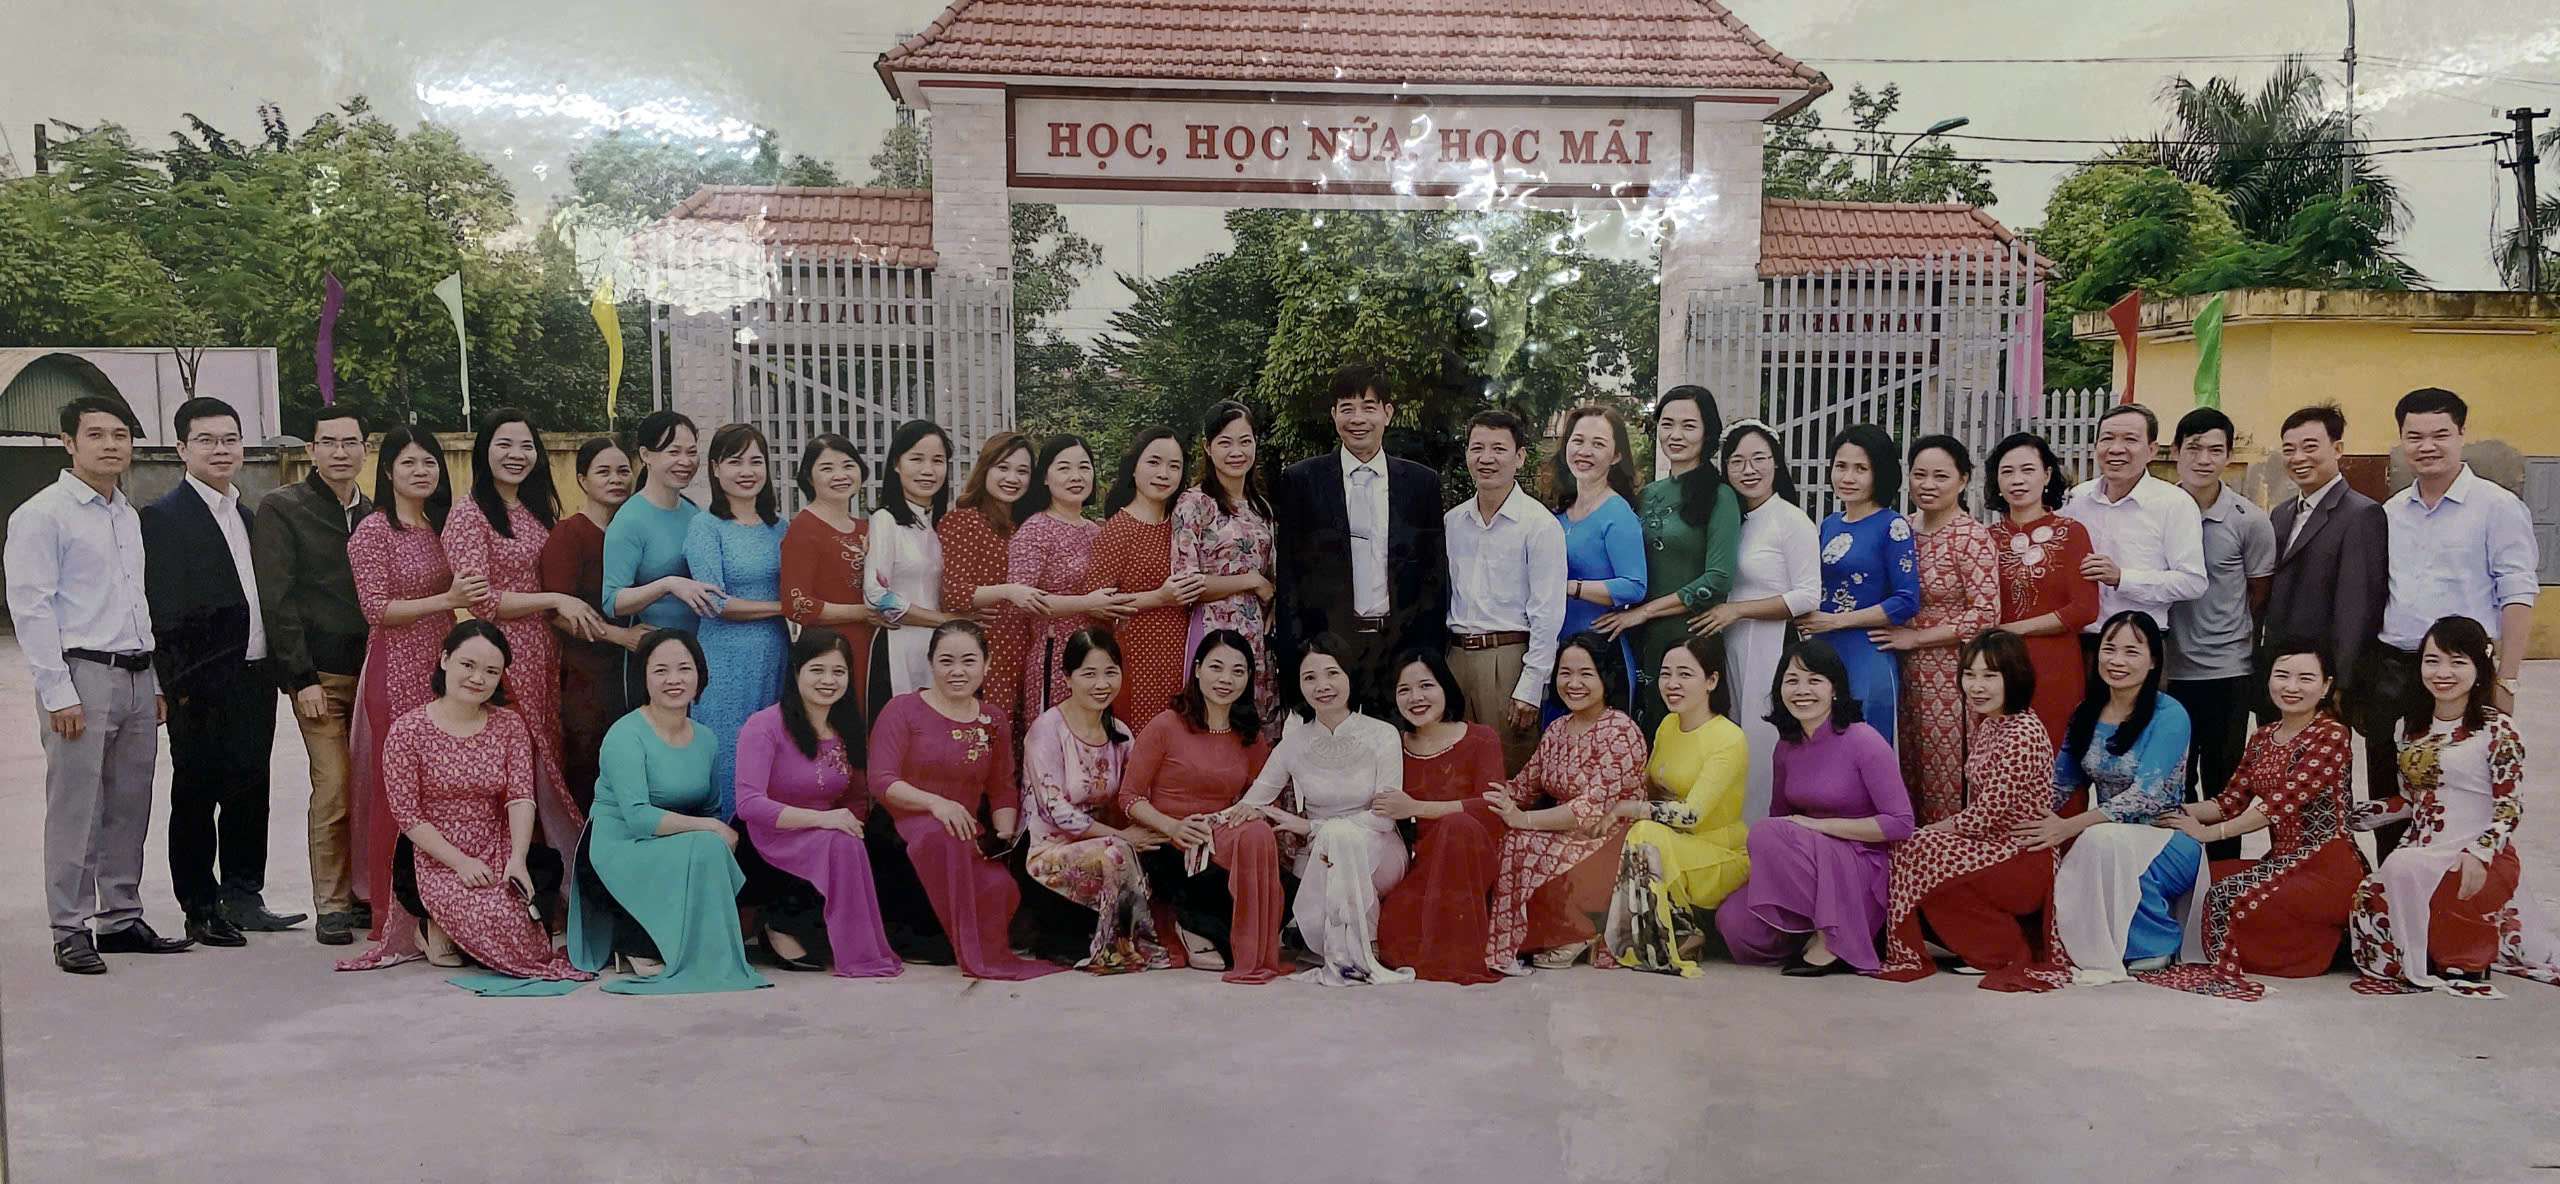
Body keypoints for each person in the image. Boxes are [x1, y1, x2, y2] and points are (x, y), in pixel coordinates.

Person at [10, 395, 193, 974]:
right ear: (69, 443)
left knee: (129, 804)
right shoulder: (43, 515)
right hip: (81, 676)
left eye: (120, 434)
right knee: (77, 807)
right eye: (96, 435)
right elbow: (32, 608)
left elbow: (136, 602)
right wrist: (57, 691)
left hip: (137, 673)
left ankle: (119, 917)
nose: (111, 445)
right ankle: (69, 927)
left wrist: (154, 678)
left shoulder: (125, 514)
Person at [352, 620, 592, 993]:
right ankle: (431, 925)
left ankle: (453, 931)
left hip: (496, 845)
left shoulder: (509, 726)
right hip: (433, 854)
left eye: (491, 671)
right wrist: (461, 863)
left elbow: (520, 796)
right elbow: (408, 815)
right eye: (468, 665)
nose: (478, 678)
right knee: (488, 918)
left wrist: (517, 858)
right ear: (445, 660)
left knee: (524, 939)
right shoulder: (407, 731)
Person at [141, 395, 301, 943]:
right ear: (181, 449)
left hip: (255, 675)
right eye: (206, 440)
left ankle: (244, 895)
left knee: (250, 790)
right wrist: (176, 686)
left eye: (230, 439)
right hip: (199, 685)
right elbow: (162, 610)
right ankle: (200, 906)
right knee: (196, 794)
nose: (220, 450)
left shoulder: (248, 516)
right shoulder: (163, 519)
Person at [2348, 616, 2560, 997]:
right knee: (2372, 893)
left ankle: (2462, 954)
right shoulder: (2409, 728)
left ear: (2479, 669)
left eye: (2457, 662)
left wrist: (2479, 854)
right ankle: (2430, 952)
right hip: (2422, 852)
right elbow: (2413, 800)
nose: (2443, 672)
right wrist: (2358, 816)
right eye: (2432, 661)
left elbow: (2509, 808)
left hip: (2480, 857)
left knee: (2415, 873)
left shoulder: (2498, 730)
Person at [2142, 639, 2366, 1000]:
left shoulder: (2332, 735)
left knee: (2222, 896)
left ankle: (2322, 948)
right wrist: (2166, 810)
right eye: (2282, 675)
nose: (2292, 687)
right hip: (2281, 863)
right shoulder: (2262, 737)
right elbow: (2228, 802)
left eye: (2306, 678)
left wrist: (2209, 834)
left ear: (2326, 686)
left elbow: (2278, 805)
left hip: (2327, 867)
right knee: (2195, 884)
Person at [2369, 388, 2539, 861]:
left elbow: (2517, 593)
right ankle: (2393, 884)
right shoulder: (2390, 512)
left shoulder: (2497, 506)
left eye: (2440, 434)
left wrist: (2507, 678)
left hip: (2463, 672)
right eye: (2415, 436)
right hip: (2395, 669)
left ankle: (2461, 887)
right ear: (2402, 440)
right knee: (2390, 790)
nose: (2427, 446)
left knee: (2465, 790)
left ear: (2462, 435)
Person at [567, 629, 770, 994]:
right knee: (709, 841)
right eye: (660, 670)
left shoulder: (706, 738)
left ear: (699, 675)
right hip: (618, 847)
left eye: (684, 669)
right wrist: (709, 829)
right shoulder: (625, 735)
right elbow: (639, 818)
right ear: (643, 677)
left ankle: (698, 946)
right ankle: (639, 942)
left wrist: (710, 829)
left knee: (725, 842)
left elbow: (710, 807)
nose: (674, 679)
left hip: (674, 843)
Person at [342, 427, 478, 964]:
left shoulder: (440, 525)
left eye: (430, 463)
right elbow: (376, 609)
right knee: (398, 792)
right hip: (395, 667)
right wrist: (446, 598)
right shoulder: (374, 531)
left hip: (442, 665)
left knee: (441, 787)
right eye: (409, 463)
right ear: (388, 472)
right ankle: (392, 912)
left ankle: (440, 908)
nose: (421, 472)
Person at [443, 408, 599, 863]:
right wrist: (554, 599)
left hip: (546, 656)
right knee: (515, 763)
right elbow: (481, 601)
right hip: (502, 660)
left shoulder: (535, 509)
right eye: (504, 444)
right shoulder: (469, 514)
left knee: (548, 759)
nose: (516, 454)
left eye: (526, 445)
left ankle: (552, 870)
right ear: (484, 451)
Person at [869, 620, 1064, 980]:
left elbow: (1002, 787)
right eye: (946, 661)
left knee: (1001, 886)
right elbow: (881, 781)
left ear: (986, 665)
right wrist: (935, 804)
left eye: (968, 661)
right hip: (903, 825)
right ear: (931, 663)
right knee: (942, 841)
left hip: (964, 831)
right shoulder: (902, 710)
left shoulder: (992, 719)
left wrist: (1002, 839)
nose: (957, 671)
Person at [1874, 630, 2067, 989]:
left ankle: (2001, 950)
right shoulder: (1993, 723)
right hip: (1993, 849)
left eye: (1990, 675)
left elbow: (1983, 817)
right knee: (1914, 850)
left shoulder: (2022, 733)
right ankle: (1983, 944)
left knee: (1916, 848)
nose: (1976, 686)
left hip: (2022, 856)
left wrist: (1929, 832)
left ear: (2015, 676)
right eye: (1969, 674)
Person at [2022, 611, 2206, 983]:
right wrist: (2023, 818)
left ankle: (2156, 943)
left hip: (2167, 839)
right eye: (2109, 649)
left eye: (2131, 651)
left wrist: (2070, 826)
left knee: (2096, 838)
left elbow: (2144, 797)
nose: (2117, 660)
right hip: (2108, 839)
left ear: (2153, 660)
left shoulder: (2170, 715)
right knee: (2086, 840)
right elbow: (2058, 784)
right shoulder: (2085, 712)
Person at [1716, 639, 1915, 975]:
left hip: (1860, 863)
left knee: (1764, 833)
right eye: (1792, 680)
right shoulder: (1786, 747)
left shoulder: (1863, 740)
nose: (1802, 690)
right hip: (1810, 865)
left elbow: (1901, 823)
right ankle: (1810, 930)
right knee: (1734, 924)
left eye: (1814, 680)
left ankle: (1837, 940)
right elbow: (1780, 818)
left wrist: (1821, 827)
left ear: (1834, 688)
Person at [250, 407, 373, 944]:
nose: (340, 452)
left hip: (374, 674)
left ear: (365, 448)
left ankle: (367, 894)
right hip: (320, 677)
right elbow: (277, 599)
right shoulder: (284, 508)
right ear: (312, 450)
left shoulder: (375, 513)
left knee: (373, 789)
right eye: (329, 442)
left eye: (350, 442)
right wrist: (301, 678)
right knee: (335, 787)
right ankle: (332, 904)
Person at [1226, 634, 1412, 985]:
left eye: (1332, 673)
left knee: (1340, 836)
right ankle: (1349, 947)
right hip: (1318, 861)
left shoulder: (1382, 734)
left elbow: (1384, 819)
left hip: (1380, 854)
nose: (1322, 685)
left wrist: (1312, 828)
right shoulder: (1293, 744)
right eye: (1309, 677)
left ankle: (1362, 943)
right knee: (1334, 841)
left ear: (1349, 676)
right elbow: (1254, 800)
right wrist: (1206, 821)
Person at [1272, 362, 1449, 702]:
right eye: (1347, 408)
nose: (1358, 419)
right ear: (1333, 414)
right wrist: (1298, 655)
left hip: (1401, 648)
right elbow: (1290, 577)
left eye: (1369, 407)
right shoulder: (1302, 481)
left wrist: (1428, 654)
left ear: (1387, 413)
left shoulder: (1421, 484)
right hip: (1328, 651)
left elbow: (1434, 577)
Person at [1119, 631, 1288, 983]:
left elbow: (1265, 797)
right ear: (1197, 670)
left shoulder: (1249, 735)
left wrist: (1251, 813)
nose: (1226, 679)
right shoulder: (1166, 725)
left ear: (1249, 678)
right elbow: (1130, 797)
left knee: (1261, 841)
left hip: (1221, 841)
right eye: (1216, 667)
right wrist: (1172, 827)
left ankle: (1243, 943)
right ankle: (1189, 926)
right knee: (1216, 889)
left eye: (1238, 671)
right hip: (1172, 844)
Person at [732, 628, 902, 978]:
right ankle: (781, 922)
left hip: (827, 834)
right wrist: (823, 820)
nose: (828, 680)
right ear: (796, 672)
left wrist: (849, 826)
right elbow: (749, 804)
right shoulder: (764, 726)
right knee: (841, 841)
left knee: (861, 841)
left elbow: (856, 799)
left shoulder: (846, 727)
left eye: (838, 671)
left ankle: (855, 945)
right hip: (769, 836)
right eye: (817, 670)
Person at [1483, 633, 1649, 974]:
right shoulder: (1558, 729)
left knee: (1518, 841)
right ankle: (1530, 937)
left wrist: (1524, 821)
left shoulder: (1621, 731)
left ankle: (1570, 932)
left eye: (1585, 674)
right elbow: (1522, 787)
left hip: (1609, 844)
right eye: (1565, 673)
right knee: (1493, 832)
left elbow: (1589, 810)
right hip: (1563, 838)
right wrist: (1480, 802)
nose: (1573, 683)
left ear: (1605, 676)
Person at [2162, 408, 2277, 861]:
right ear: (2175, 451)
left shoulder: (2250, 520)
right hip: (2168, 671)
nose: (2203, 459)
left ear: (2230, 456)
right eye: (2193, 448)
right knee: (2172, 781)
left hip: (2226, 671)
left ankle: (2224, 876)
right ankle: (2178, 871)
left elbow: (2258, 593)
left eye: (2215, 450)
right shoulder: (2159, 511)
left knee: (2225, 782)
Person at [1022, 630, 1169, 973]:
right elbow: (1055, 810)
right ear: (1067, 678)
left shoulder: (1121, 733)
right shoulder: (1047, 730)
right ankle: (1122, 947)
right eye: (1089, 674)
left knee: (1154, 846)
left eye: (1110, 672)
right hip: (1048, 848)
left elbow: (1137, 793)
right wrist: (1121, 836)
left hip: (1106, 842)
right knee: (1116, 852)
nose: (1101, 684)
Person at [1696, 421, 1820, 823]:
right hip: (1730, 642)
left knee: (1762, 739)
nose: (1749, 470)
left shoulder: (1791, 520)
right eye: (1737, 461)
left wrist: (1738, 610)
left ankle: (1762, 833)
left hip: (1771, 644)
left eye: (1759, 459)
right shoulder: (1733, 520)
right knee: (1732, 737)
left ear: (1776, 463)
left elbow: (1808, 596)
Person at [1602, 636, 1748, 977]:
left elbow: (1691, 815)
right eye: (1666, 673)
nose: (1672, 683)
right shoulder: (1669, 725)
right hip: (1672, 844)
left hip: (1718, 854)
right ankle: (1669, 931)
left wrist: (1628, 808)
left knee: (1645, 830)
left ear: (1711, 680)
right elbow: (1648, 786)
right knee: (1628, 830)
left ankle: (1658, 938)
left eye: (1685, 674)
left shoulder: (1729, 738)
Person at [1599, 387, 1740, 731]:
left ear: (1707, 433)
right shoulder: (1647, 494)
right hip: (1637, 636)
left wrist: (1645, 611)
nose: (1676, 434)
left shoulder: (1720, 496)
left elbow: (1718, 579)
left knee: (1685, 736)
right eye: (1667, 424)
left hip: (1689, 637)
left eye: (1689, 426)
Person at [1876, 435, 2000, 825]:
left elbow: (1986, 614)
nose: (1927, 485)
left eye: (1940, 476)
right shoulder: (1900, 528)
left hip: (1949, 672)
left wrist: (1917, 638)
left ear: (1963, 480)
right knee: (1900, 763)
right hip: (1896, 665)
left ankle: (1942, 850)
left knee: (1943, 770)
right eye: (1919, 474)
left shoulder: (1971, 536)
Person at [1440, 408, 1566, 774]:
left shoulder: (1539, 525)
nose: (1486, 458)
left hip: (1509, 659)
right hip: (1455, 658)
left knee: (1507, 770)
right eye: (1477, 448)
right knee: (1454, 770)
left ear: (1520, 456)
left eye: (1498, 449)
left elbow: (1548, 613)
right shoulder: (1453, 522)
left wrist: (1532, 684)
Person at [1372, 649, 1508, 984]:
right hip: (1423, 863)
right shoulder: (1393, 744)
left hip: (1473, 857)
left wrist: (1417, 808)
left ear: (1445, 687)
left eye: (1425, 686)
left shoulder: (1481, 738)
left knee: (1458, 825)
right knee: (1395, 940)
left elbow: (1491, 808)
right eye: (1404, 690)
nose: (1415, 698)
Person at [2261, 401, 2386, 745]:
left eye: (2310, 447)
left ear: (2337, 448)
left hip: (2322, 680)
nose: (2298, 457)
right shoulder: (2282, 513)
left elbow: (2357, 607)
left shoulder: (2361, 514)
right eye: (2289, 449)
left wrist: (2341, 682)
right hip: (2281, 673)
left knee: (2320, 767)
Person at [684, 423, 791, 818]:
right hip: (724, 659)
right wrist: (783, 608)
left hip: (775, 654)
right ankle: (724, 837)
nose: (747, 471)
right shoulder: (705, 526)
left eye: (755, 461)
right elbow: (713, 602)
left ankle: (764, 843)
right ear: (715, 468)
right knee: (729, 751)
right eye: (735, 461)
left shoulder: (781, 527)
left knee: (772, 752)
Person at [539, 436, 649, 816]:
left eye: (623, 471)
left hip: (637, 669)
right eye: (604, 472)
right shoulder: (570, 534)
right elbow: (557, 611)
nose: (616, 479)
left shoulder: (637, 530)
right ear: (582, 480)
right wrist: (620, 636)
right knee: (592, 766)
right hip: (587, 674)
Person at [1801, 424, 1919, 745]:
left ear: (1879, 473)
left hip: (1867, 654)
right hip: (1822, 652)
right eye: (1841, 466)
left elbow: (1906, 600)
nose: (1848, 477)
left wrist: (1837, 621)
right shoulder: (1829, 524)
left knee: (1864, 747)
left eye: (1860, 469)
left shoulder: (1893, 525)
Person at [2063, 404, 2206, 664]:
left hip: (2139, 644)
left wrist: (2123, 578)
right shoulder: (2077, 498)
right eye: (2107, 439)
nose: (2116, 449)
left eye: (2130, 439)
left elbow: (2193, 582)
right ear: (2095, 446)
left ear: (2152, 450)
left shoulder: (2174, 503)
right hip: (2078, 642)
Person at [1086, 429, 1207, 729]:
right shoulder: (1118, 529)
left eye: (1174, 466)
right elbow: (1094, 604)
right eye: (1154, 462)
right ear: (1134, 467)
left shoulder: (1182, 525)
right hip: (1136, 656)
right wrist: (1159, 597)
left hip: (1183, 653)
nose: (1163, 473)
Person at [1985, 432, 2101, 743]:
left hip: (2054, 664)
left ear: (2047, 475)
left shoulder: (2072, 532)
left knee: (2053, 749)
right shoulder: (1986, 538)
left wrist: (2013, 629)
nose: (2017, 480)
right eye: (2007, 471)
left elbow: (2085, 609)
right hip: (1996, 666)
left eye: (2028, 470)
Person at [1171, 401, 1280, 715]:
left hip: (1257, 638)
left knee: (1254, 724)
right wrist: (1250, 581)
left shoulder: (1260, 508)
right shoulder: (1194, 503)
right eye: (1225, 443)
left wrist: (1274, 600)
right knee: (1215, 720)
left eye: (1245, 441)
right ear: (1207, 447)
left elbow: (1272, 577)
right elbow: (1186, 582)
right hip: (1214, 632)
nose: (1236, 452)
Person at [1009, 434, 1126, 718]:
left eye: (1084, 467)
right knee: (1055, 737)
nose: (1076, 476)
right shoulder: (1035, 529)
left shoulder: (1098, 531)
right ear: (1045, 477)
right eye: (1064, 468)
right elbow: (1022, 600)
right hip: (1057, 658)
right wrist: (1086, 603)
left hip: (1100, 662)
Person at [935, 432, 1043, 735]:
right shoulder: (963, 521)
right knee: (987, 739)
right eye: (1002, 468)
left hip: (1027, 651)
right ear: (985, 469)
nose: (1012, 478)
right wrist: (1009, 591)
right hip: (986, 652)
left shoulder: (1028, 525)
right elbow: (953, 593)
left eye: (1022, 471)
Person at [780, 434, 889, 720]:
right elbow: (796, 603)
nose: (840, 475)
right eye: (827, 468)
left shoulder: (866, 528)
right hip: (829, 653)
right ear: (809, 477)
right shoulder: (803, 528)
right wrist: (863, 613)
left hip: (873, 646)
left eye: (848, 465)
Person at [1546, 405, 1647, 711]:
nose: (1585, 451)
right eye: (1578, 441)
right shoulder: (1558, 512)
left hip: (1600, 657)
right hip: (1555, 655)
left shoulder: (1618, 513)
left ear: (1616, 456)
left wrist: (1570, 587)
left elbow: (1634, 586)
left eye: (1598, 444)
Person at [864, 419, 964, 714]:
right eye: (916, 459)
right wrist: (944, 620)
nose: (928, 470)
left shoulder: (943, 525)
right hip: (898, 646)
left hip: (942, 650)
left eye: (937, 461)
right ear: (897, 464)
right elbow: (876, 595)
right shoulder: (885, 520)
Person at [601, 410, 720, 633]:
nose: (685, 461)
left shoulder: (695, 513)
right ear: (645, 455)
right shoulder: (629, 520)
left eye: (692, 452)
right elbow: (612, 601)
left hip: (703, 643)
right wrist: (668, 584)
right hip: (659, 647)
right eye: (674, 452)